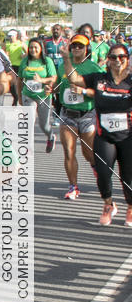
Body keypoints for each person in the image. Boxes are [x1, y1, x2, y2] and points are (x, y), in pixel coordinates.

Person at [63, 43, 132, 226]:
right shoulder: (99, 79)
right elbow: (74, 78)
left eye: (121, 57)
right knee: (102, 173)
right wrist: (65, 59)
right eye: (113, 57)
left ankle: (131, 208)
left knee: (128, 177)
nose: (117, 61)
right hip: (105, 136)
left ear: (127, 59)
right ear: (108, 61)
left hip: (127, 138)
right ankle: (108, 205)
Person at [52, 33, 103, 199]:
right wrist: (52, 89)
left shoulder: (94, 69)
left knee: (89, 154)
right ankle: (73, 186)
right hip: (67, 114)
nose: (77, 49)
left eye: (80, 46)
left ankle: (97, 169)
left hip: (87, 114)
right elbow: (59, 86)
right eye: (74, 46)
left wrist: (83, 91)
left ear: (86, 48)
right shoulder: (62, 66)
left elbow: (101, 93)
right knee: (69, 151)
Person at [17, 37, 57, 152]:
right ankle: (28, 146)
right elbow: (19, 79)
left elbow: (53, 78)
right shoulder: (25, 61)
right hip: (28, 95)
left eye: (35, 47)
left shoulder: (47, 61)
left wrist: (42, 80)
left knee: (43, 125)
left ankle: (50, 136)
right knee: (29, 121)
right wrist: (20, 96)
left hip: (43, 95)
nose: (33, 50)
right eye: (31, 47)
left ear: (41, 48)